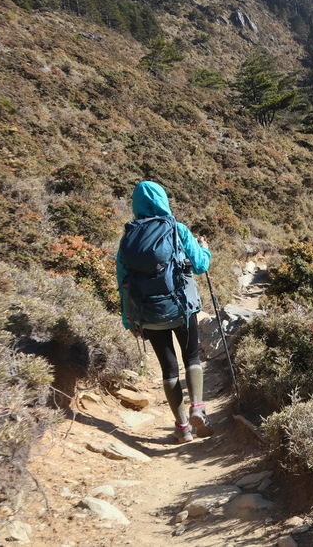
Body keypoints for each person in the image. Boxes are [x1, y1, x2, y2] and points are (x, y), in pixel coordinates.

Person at [116, 181, 213, 443]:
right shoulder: (177, 229)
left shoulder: (129, 239)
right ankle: (197, 408)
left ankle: (182, 428)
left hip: (149, 314)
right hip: (182, 309)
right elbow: (201, 264)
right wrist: (204, 247)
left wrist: (130, 321)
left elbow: (122, 283)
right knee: (191, 358)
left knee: (169, 370)